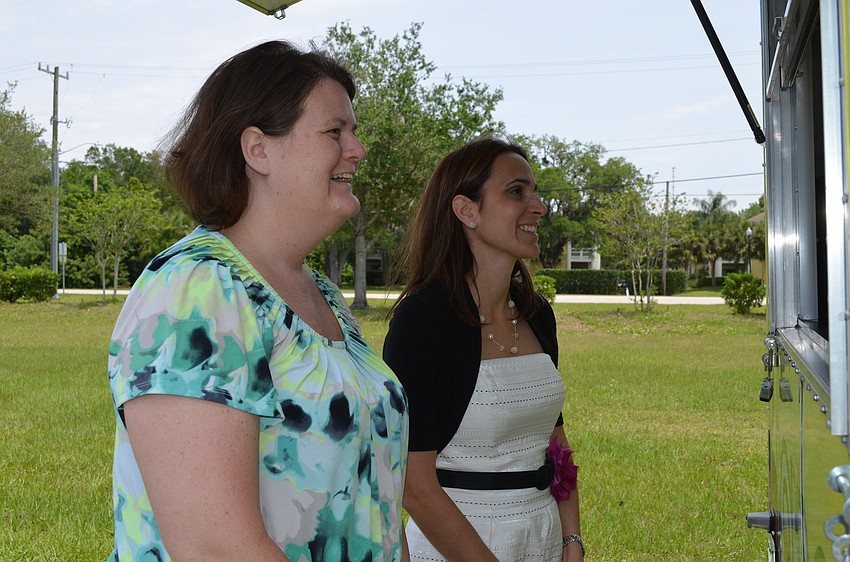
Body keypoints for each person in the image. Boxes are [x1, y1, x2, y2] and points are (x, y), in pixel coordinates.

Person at [106, 40, 408, 562]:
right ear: (258, 150)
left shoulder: (322, 295)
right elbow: (215, 547)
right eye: (335, 132)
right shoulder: (197, 292)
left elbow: (374, 500)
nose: (357, 150)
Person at [383, 136, 582, 561]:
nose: (539, 206)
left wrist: (571, 539)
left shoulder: (536, 314)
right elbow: (414, 486)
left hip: (542, 539)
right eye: (516, 192)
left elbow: (555, 442)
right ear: (466, 210)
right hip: (458, 544)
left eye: (534, 191)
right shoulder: (422, 321)